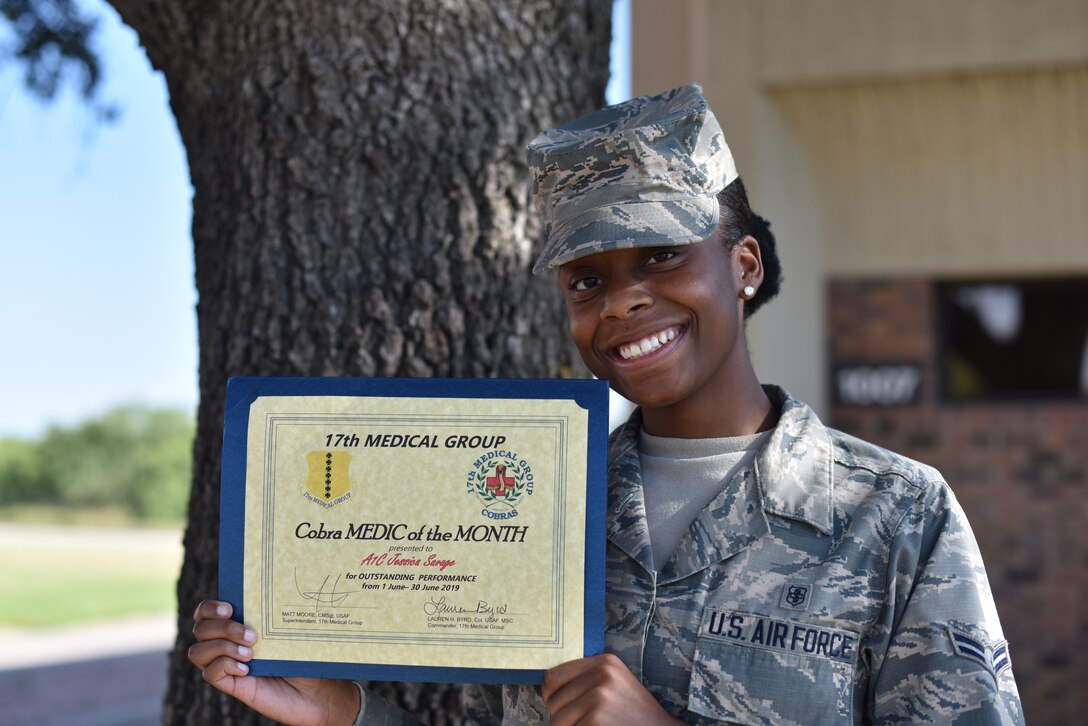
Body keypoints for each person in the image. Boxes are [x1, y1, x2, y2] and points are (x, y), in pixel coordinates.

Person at [190, 84, 1024, 724]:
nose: (620, 302)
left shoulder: (896, 513)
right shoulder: (541, 501)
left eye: (661, 256)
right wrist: (346, 711)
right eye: (588, 279)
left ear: (743, 267)